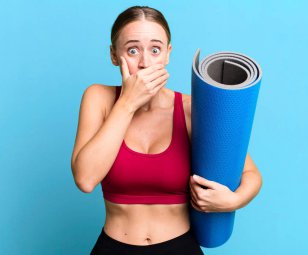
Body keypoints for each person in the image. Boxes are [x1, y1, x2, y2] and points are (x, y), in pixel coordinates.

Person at [71, 5, 262, 255]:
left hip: (180, 247)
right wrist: (128, 103)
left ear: (168, 54)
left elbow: (252, 175)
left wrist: (233, 201)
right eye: (132, 50)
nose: (144, 62)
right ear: (114, 55)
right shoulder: (99, 98)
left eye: (155, 49)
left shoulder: (191, 109)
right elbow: (85, 179)